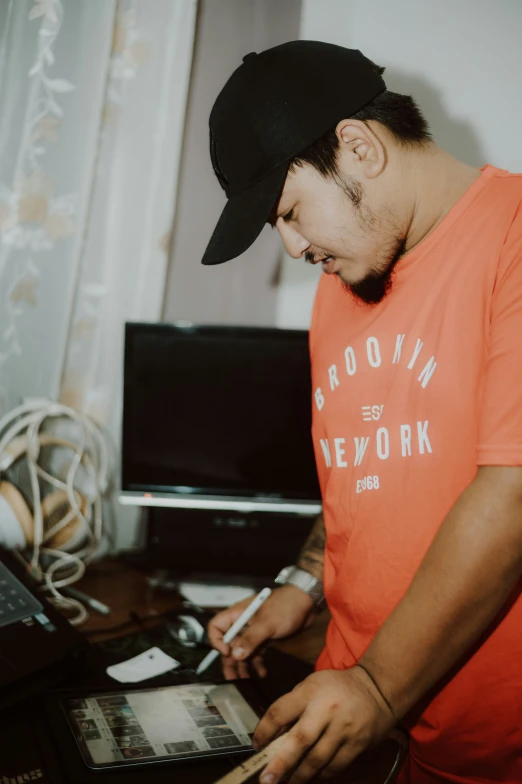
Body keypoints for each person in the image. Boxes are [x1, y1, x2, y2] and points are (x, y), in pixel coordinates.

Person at [202, 41, 522, 784]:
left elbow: (512, 494)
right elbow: (363, 475)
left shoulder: (512, 235)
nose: (290, 245)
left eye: (288, 212)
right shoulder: (342, 281)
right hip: (352, 711)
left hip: (484, 745)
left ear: (358, 147)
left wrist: (379, 686)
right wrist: (302, 586)